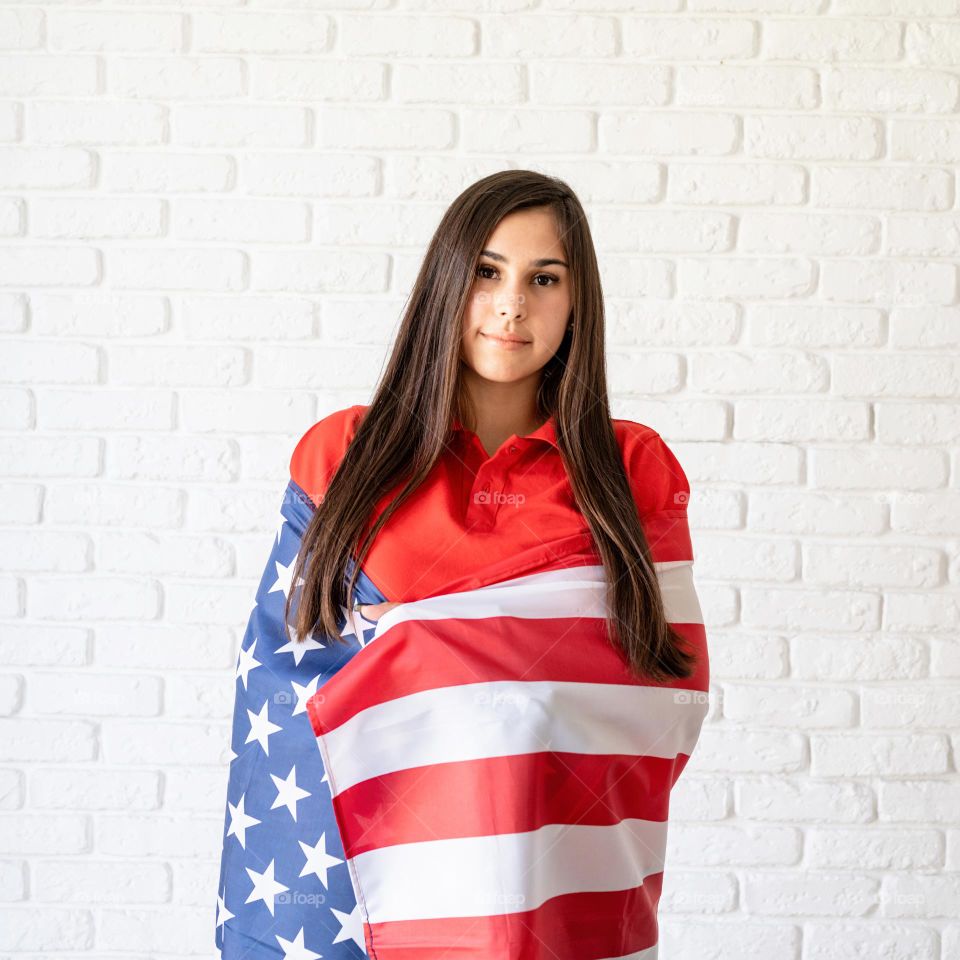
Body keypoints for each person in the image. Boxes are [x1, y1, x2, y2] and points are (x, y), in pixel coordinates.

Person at [215, 169, 708, 959]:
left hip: (540, 875)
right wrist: (493, 667)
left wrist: (422, 650)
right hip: (365, 886)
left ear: (577, 303)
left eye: (544, 278)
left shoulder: (631, 467)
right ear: (446, 282)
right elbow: (285, 684)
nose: (513, 304)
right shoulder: (342, 454)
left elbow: (661, 688)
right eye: (487, 272)